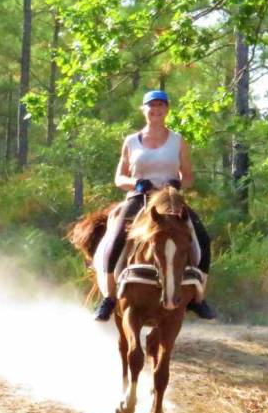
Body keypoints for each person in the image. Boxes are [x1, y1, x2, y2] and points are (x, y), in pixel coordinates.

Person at [92, 90, 215, 321]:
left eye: (160, 105)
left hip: (169, 199)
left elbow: (188, 176)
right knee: (117, 236)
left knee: (203, 239)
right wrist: (136, 183)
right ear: (144, 109)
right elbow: (119, 177)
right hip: (140, 198)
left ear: (167, 110)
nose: (155, 110)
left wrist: (177, 183)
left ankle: (199, 299)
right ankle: (109, 297)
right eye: (151, 105)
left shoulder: (178, 140)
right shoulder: (131, 141)